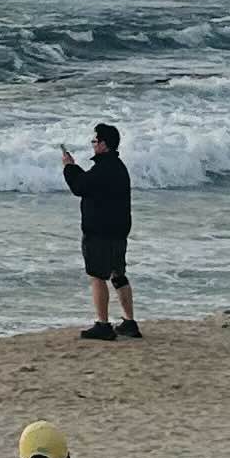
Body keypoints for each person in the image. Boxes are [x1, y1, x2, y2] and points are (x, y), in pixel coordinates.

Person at [64, 123, 139, 340]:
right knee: (118, 275)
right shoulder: (118, 167)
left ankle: (103, 324)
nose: (93, 144)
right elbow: (88, 182)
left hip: (100, 232)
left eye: (95, 141)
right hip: (118, 231)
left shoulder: (103, 168)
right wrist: (74, 168)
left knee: (97, 276)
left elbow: (80, 187)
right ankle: (129, 322)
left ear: (104, 144)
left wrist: (69, 167)